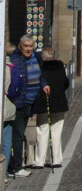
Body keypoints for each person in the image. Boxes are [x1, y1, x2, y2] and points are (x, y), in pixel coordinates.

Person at [7, 35, 50, 178]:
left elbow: (39, 76)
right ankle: (17, 167)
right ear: (20, 46)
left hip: (31, 103)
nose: (28, 49)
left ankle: (15, 164)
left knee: (19, 134)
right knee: (17, 135)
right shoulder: (15, 59)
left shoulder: (36, 58)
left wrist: (43, 85)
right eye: (25, 46)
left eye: (31, 46)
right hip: (20, 103)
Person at [32, 47, 69, 169]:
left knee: (42, 130)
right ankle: (56, 160)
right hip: (58, 102)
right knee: (56, 131)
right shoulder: (59, 66)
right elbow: (65, 83)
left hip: (43, 102)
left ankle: (39, 161)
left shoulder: (39, 67)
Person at [3, 44, 16, 181]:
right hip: (10, 107)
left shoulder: (4, 69)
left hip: (3, 108)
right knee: (6, 143)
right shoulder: (12, 67)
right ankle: (4, 174)